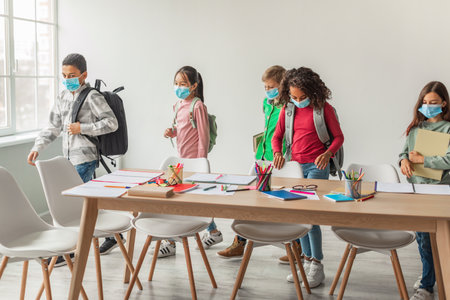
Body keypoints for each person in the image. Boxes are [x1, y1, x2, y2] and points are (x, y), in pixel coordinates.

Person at [27, 53, 120, 266]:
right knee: (87, 203)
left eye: (72, 75)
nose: (67, 79)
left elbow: (111, 123)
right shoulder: (62, 97)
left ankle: (66, 251)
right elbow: (53, 126)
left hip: (85, 157)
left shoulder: (92, 97)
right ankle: (113, 235)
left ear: (83, 75)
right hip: (69, 158)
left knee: (69, 204)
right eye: (64, 75)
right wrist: (37, 147)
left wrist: (83, 128)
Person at [272, 67, 344, 288]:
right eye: (294, 97)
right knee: (299, 216)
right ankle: (304, 260)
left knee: (310, 218)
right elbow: (277, 137)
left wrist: (327, 153)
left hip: (317, 167)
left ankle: (316, 264)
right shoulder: (288, 110)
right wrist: (277, 153)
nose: (298, 101)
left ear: (313, 92)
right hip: (295, 167)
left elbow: (339, 137)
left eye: (302, 97)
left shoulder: (325, 110)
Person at [217, 65, 290, 260]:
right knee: (248, 199)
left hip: (282, 159)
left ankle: (295, 246)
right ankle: (240, 242)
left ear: (283, 85)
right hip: (263, 156)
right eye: (265, 87)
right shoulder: (267, 103)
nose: (268, 90)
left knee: (286, 205)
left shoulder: (289, 107)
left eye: (271, 86)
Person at [159, 66, 223, 258]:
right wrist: (172, 132)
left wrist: (202, 163)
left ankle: (171, 241)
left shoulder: (198, 106)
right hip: (180, 159)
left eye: (183, 84)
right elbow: (182, 128)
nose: (179, 87)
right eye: (176, 84)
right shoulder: (178, 105)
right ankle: (213, 232)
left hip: (195, 161)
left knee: (192, 200)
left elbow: (203, 136)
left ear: (194, 86)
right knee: (180, 198)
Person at [399, 81, 450, 300]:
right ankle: (428, 280)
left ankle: (431, 281)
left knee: (441, 239)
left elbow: (448, 159)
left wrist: (424, 159)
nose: (428, 106)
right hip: (417, 189)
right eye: (425, 102)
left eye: (433, 102)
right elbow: (404, 153)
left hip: (440, 191)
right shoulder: (416, 128)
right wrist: (403, 162)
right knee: (423, 239)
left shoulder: (448, 129)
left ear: (444, 103)